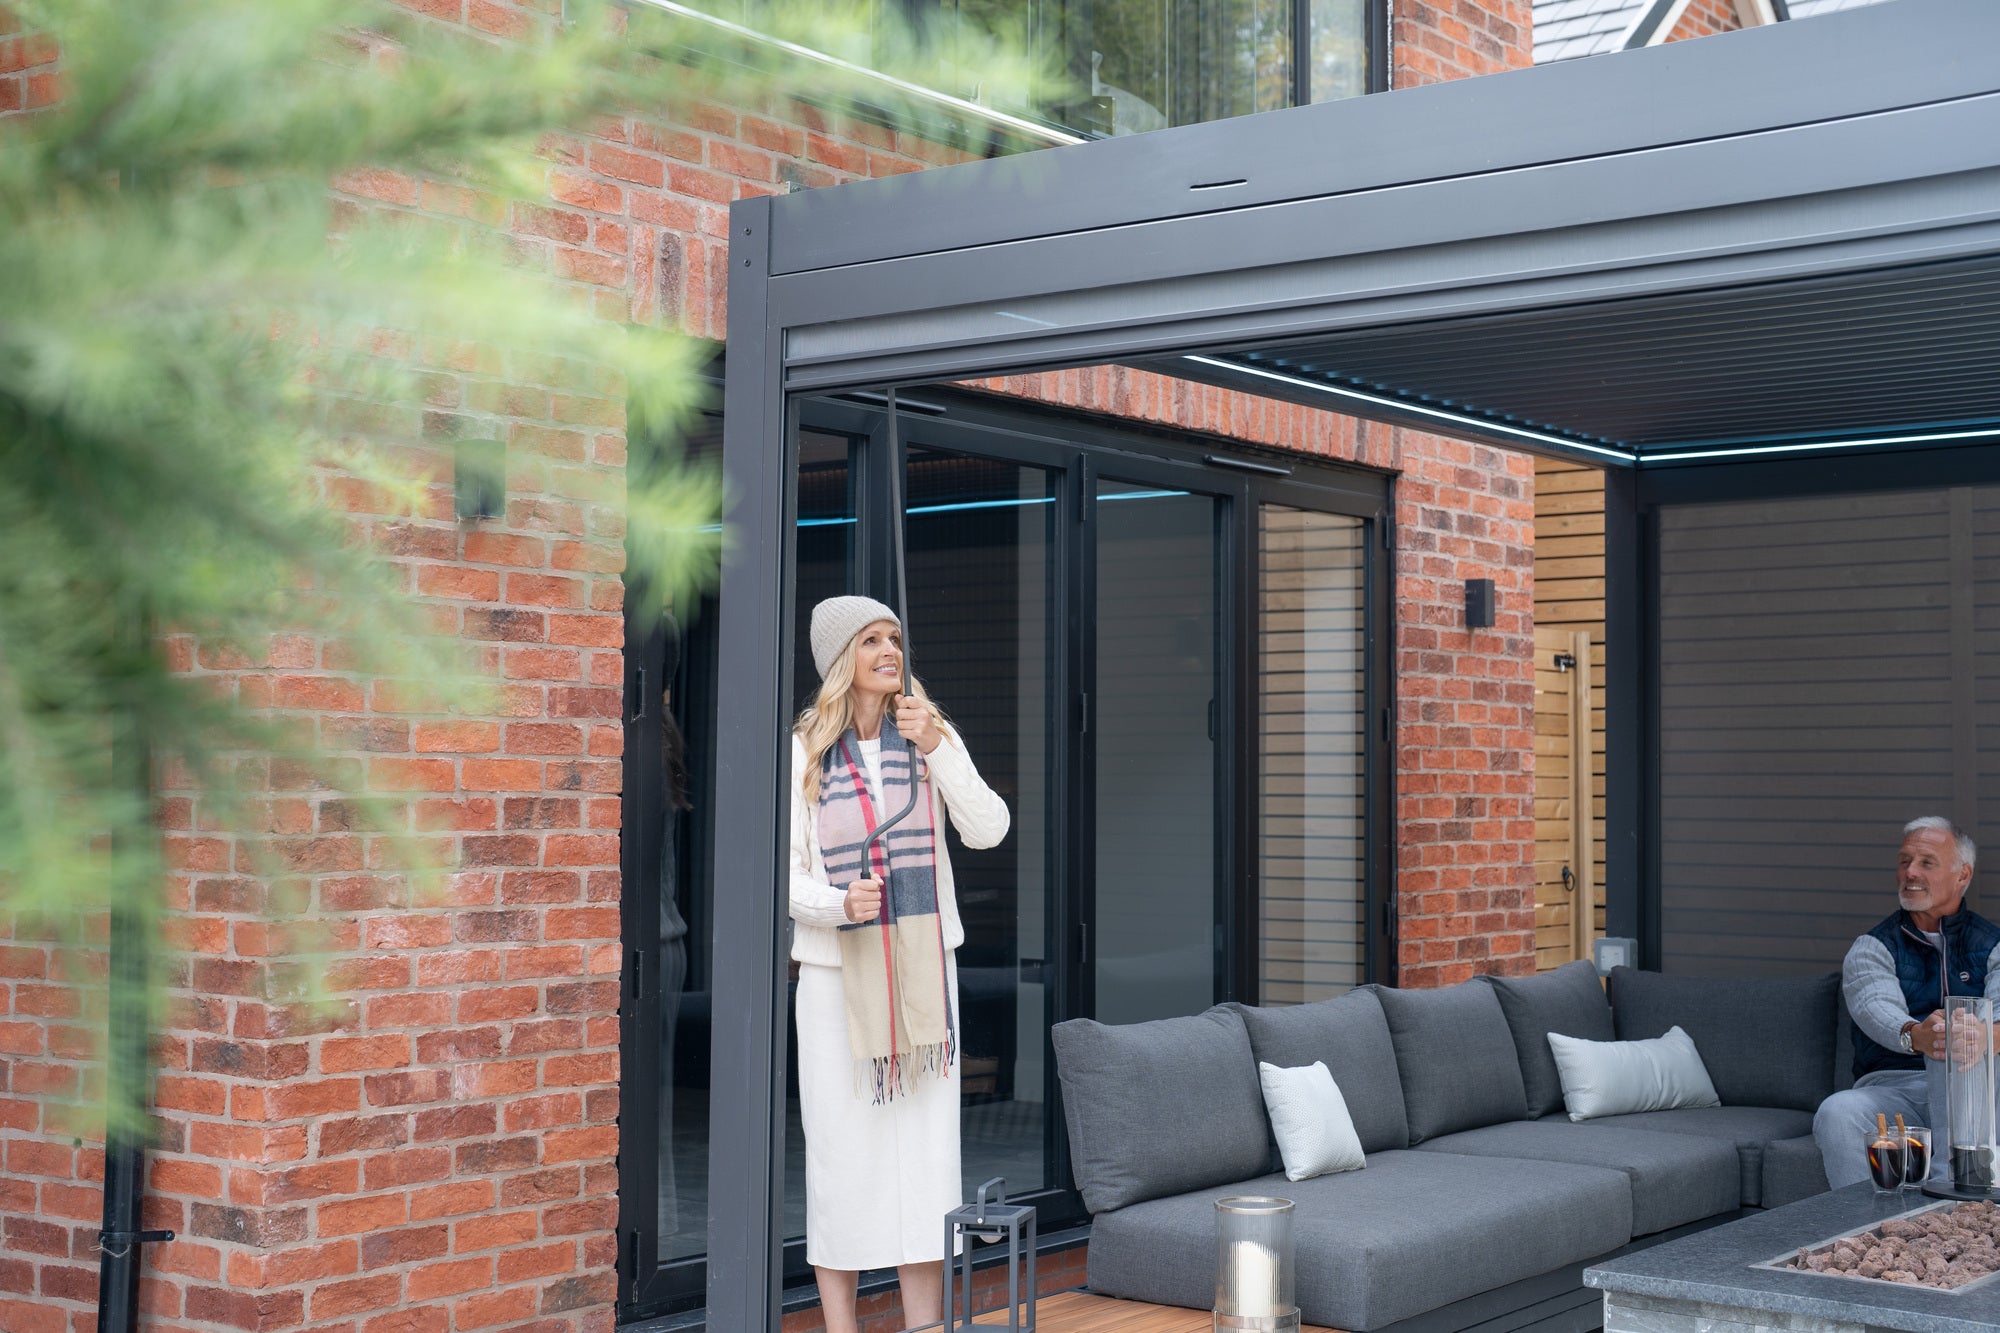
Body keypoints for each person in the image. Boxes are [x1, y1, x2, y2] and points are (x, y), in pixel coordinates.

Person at [789, 595, 1010, 1333]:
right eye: (872, 639)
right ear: (839, 659)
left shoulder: (926, 732)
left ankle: (925, 1325)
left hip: (922, 978)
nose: (890, 650)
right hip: (833, 982)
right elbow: (778, 876)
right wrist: (834, 903)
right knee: (842, 1159)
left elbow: (988, 827)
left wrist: (940, 745)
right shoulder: (803, 753)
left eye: (895, 637)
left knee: (924, 1164)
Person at [1814, 816, 2000, 1187]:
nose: (1910, 872)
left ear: (1962, 876)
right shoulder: (1873, 948)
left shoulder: (1993, 944)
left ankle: (1962, 1203)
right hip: (1896, 1091)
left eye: (1926, 862)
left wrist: (1982, 1037)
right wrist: (1917, 1035)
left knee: (1960, 1052)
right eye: (1904, 862)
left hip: (1983, 1094)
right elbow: (1875, 1009)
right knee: (1838, 1111)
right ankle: (1869, 1231)